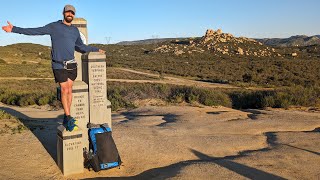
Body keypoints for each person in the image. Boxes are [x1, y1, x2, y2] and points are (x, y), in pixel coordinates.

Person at [2, 5, 106, 131]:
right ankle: (68, 116)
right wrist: (14, 29)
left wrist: (95, 49)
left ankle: (68, 116)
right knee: (63, 89)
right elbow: (35, 31)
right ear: (63, 13)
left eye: (72, 13)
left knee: (69, 90)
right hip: (58, 64)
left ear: (74, 15)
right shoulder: (54, 27)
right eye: (68, 12)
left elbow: (81, 47)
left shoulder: (74, 31)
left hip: (72, 64)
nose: (70, 14)